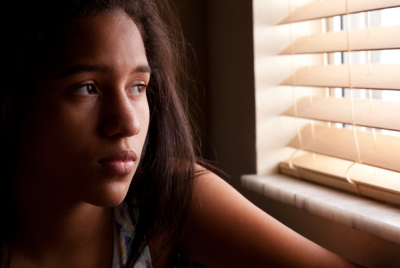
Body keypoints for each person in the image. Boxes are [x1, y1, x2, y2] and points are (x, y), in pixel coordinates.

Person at [0, 0, 362, 267]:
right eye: (87, 88)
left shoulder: (167, 200)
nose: (129, 124)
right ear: (11, 103)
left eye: (138, 86)